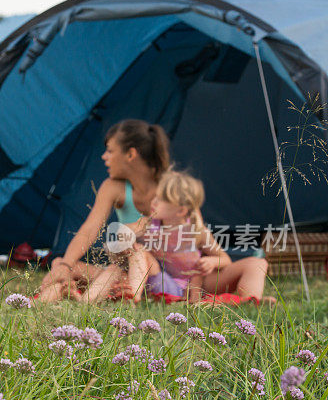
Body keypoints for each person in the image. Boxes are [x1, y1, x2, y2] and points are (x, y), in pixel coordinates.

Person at [38, 119, 270, 303]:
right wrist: (66, 265)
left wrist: (210, 264)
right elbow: (90, 229)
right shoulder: (114, 187)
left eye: (110, 151)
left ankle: (246, 300)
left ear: (130, 154)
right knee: (68, 265)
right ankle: (103, 291)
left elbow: (200, 235)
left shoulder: (173, 188)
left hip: (179, 276)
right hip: (140, 271)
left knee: (254, 264)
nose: (104, 157)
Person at [82, 170, 230, 304]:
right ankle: (85, 302)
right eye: (155, 197)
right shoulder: (150, 223)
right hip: (150, 280)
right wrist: (126, 238)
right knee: (115, 268)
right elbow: (125, 229)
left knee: (140, 251)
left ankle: (133, 297)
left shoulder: (196, 231)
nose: (153, 202)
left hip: (176, 289)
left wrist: (212, 261)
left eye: (160, 200)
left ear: (180, 210)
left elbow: (225, 259)